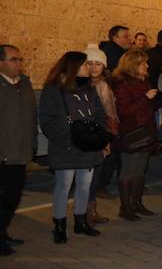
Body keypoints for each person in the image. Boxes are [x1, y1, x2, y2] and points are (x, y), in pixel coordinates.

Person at [40, 51, 109, 243]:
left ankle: (81, 222)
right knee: (63, 186)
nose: (89, 68)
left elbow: (100, 115)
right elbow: (47, 120)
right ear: (74, 67)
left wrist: (98, 137)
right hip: (66, 147)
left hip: (88, 146)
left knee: (85, 186)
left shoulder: (90, 89)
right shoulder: (54, 89)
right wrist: (67, 138)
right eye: (86, 64)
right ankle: (59, 226)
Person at [112, 49, 162, 220]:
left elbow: (147, 107)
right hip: (132, 133)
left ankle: (137, 203)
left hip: (146, 131)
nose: (147, 65)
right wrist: (146, 98)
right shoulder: (122, 84)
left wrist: (157, 99)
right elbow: (124, 111)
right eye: (143, 63)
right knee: (128, 170)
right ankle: (125, 207)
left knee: (140, 170)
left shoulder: (144, 81)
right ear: (133, 65)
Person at [0, 45, 37, 256]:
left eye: (20, 59)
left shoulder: (25, 84)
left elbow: (31, 117)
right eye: (14, 59)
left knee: (12, 197)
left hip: (20, 153)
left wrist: (32, 143)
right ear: (1, 63)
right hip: (3, 154)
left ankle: (3, 232)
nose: (19, 63)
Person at [84, 44, 118, 225]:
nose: (94, 67)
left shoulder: (103, 85)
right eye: (90, 63)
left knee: (94, 175)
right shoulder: (80, 84)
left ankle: (90, 211)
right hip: (83, 135)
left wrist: (107, 139)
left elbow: (110, 113)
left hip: (98, 135)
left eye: (98, 63)